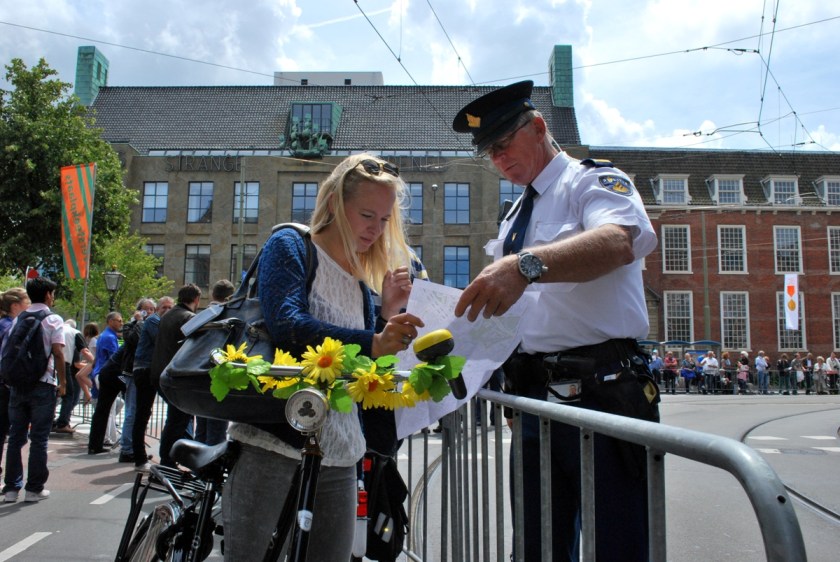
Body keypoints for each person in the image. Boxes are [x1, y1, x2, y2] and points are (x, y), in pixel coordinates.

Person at [451, 82, 659, 561]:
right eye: (489, 152)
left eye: (505, 143)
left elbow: (619, 241)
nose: (499, 159)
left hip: (603, 392)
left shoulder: (591, 182)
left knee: (617, 545)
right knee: (535, 545)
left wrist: (524, 265)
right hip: (533, 397)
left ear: (539, 126)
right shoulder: (514, 216)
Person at [222, 153, 424, 562]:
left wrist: (387, 316)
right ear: (334, 203)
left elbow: (360, 367)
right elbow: (290, 326)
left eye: (384, 219)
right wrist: (374, 340)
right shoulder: (290, 245)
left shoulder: (360, 279)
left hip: (341, 450)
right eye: (367, 214)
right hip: (275, 440)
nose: (376, 229)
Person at [2, 276, 65, 503]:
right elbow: (58, 352)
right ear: (48, 295)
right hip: (43, 383)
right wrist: (63, 383)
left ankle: (11, 488)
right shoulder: (53, 319)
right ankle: (34, 489)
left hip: (18, 385)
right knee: (39, 438)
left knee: (16, 437)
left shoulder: (18, 319)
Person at [150, 284, 203, 468]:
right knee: (177, 420)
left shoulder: (168, 315)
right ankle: (168, 461)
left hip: (159, 372)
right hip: (175, 376)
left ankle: (170, 459)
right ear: (196, 299)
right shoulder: (188, 317)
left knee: (176, 418)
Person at [131, 296, 174, 471]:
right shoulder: (153, 321)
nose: (167, 310)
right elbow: (163, 342)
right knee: (143, 413)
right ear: (158, 310)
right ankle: (140, 458)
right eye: (164, 307)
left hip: (151, 370)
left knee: (146, 412)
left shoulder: (158, 322)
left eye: (170, 308)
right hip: (146, 370)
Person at [194, 280, 235, 446]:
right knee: (216, 431)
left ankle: (198, 460)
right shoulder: (230, 317)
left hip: (198, 374)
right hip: (218, 377)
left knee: (201, 428)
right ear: (230, 297)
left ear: (212, 294)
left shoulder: (201, 316)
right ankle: (211, 460)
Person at [117, 298, 156, 462]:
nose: (149, 312)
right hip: (133, 372)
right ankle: (127, 448)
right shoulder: (130, 326)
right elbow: (135, 340)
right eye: (146, 309)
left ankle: (135, 446)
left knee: (142, 411)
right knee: (132, 411)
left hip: (146, 373)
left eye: (152, 309)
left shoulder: (154, 325)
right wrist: (140, 322)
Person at [0, 287, 30, 482]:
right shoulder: (10, 327)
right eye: (27, 302)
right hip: (5, 384)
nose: (29, 306)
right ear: (15, 306)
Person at [53, 319, 93, 433]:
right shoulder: (75, 332)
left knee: (51, 393)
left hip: (48, 364)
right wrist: (95, 363)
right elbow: (85, 351)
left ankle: (49, 421)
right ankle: (62, 423)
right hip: (63, 364)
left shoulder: (56, 329)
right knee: (69, 394)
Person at [77, 322, 99, 404]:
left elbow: (97, 352)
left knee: (81, 375)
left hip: (93, 361)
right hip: (91, 361)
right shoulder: (92, 340)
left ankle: (95, 388)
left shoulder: (93, 340)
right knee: (78, 376)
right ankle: (90, 392)